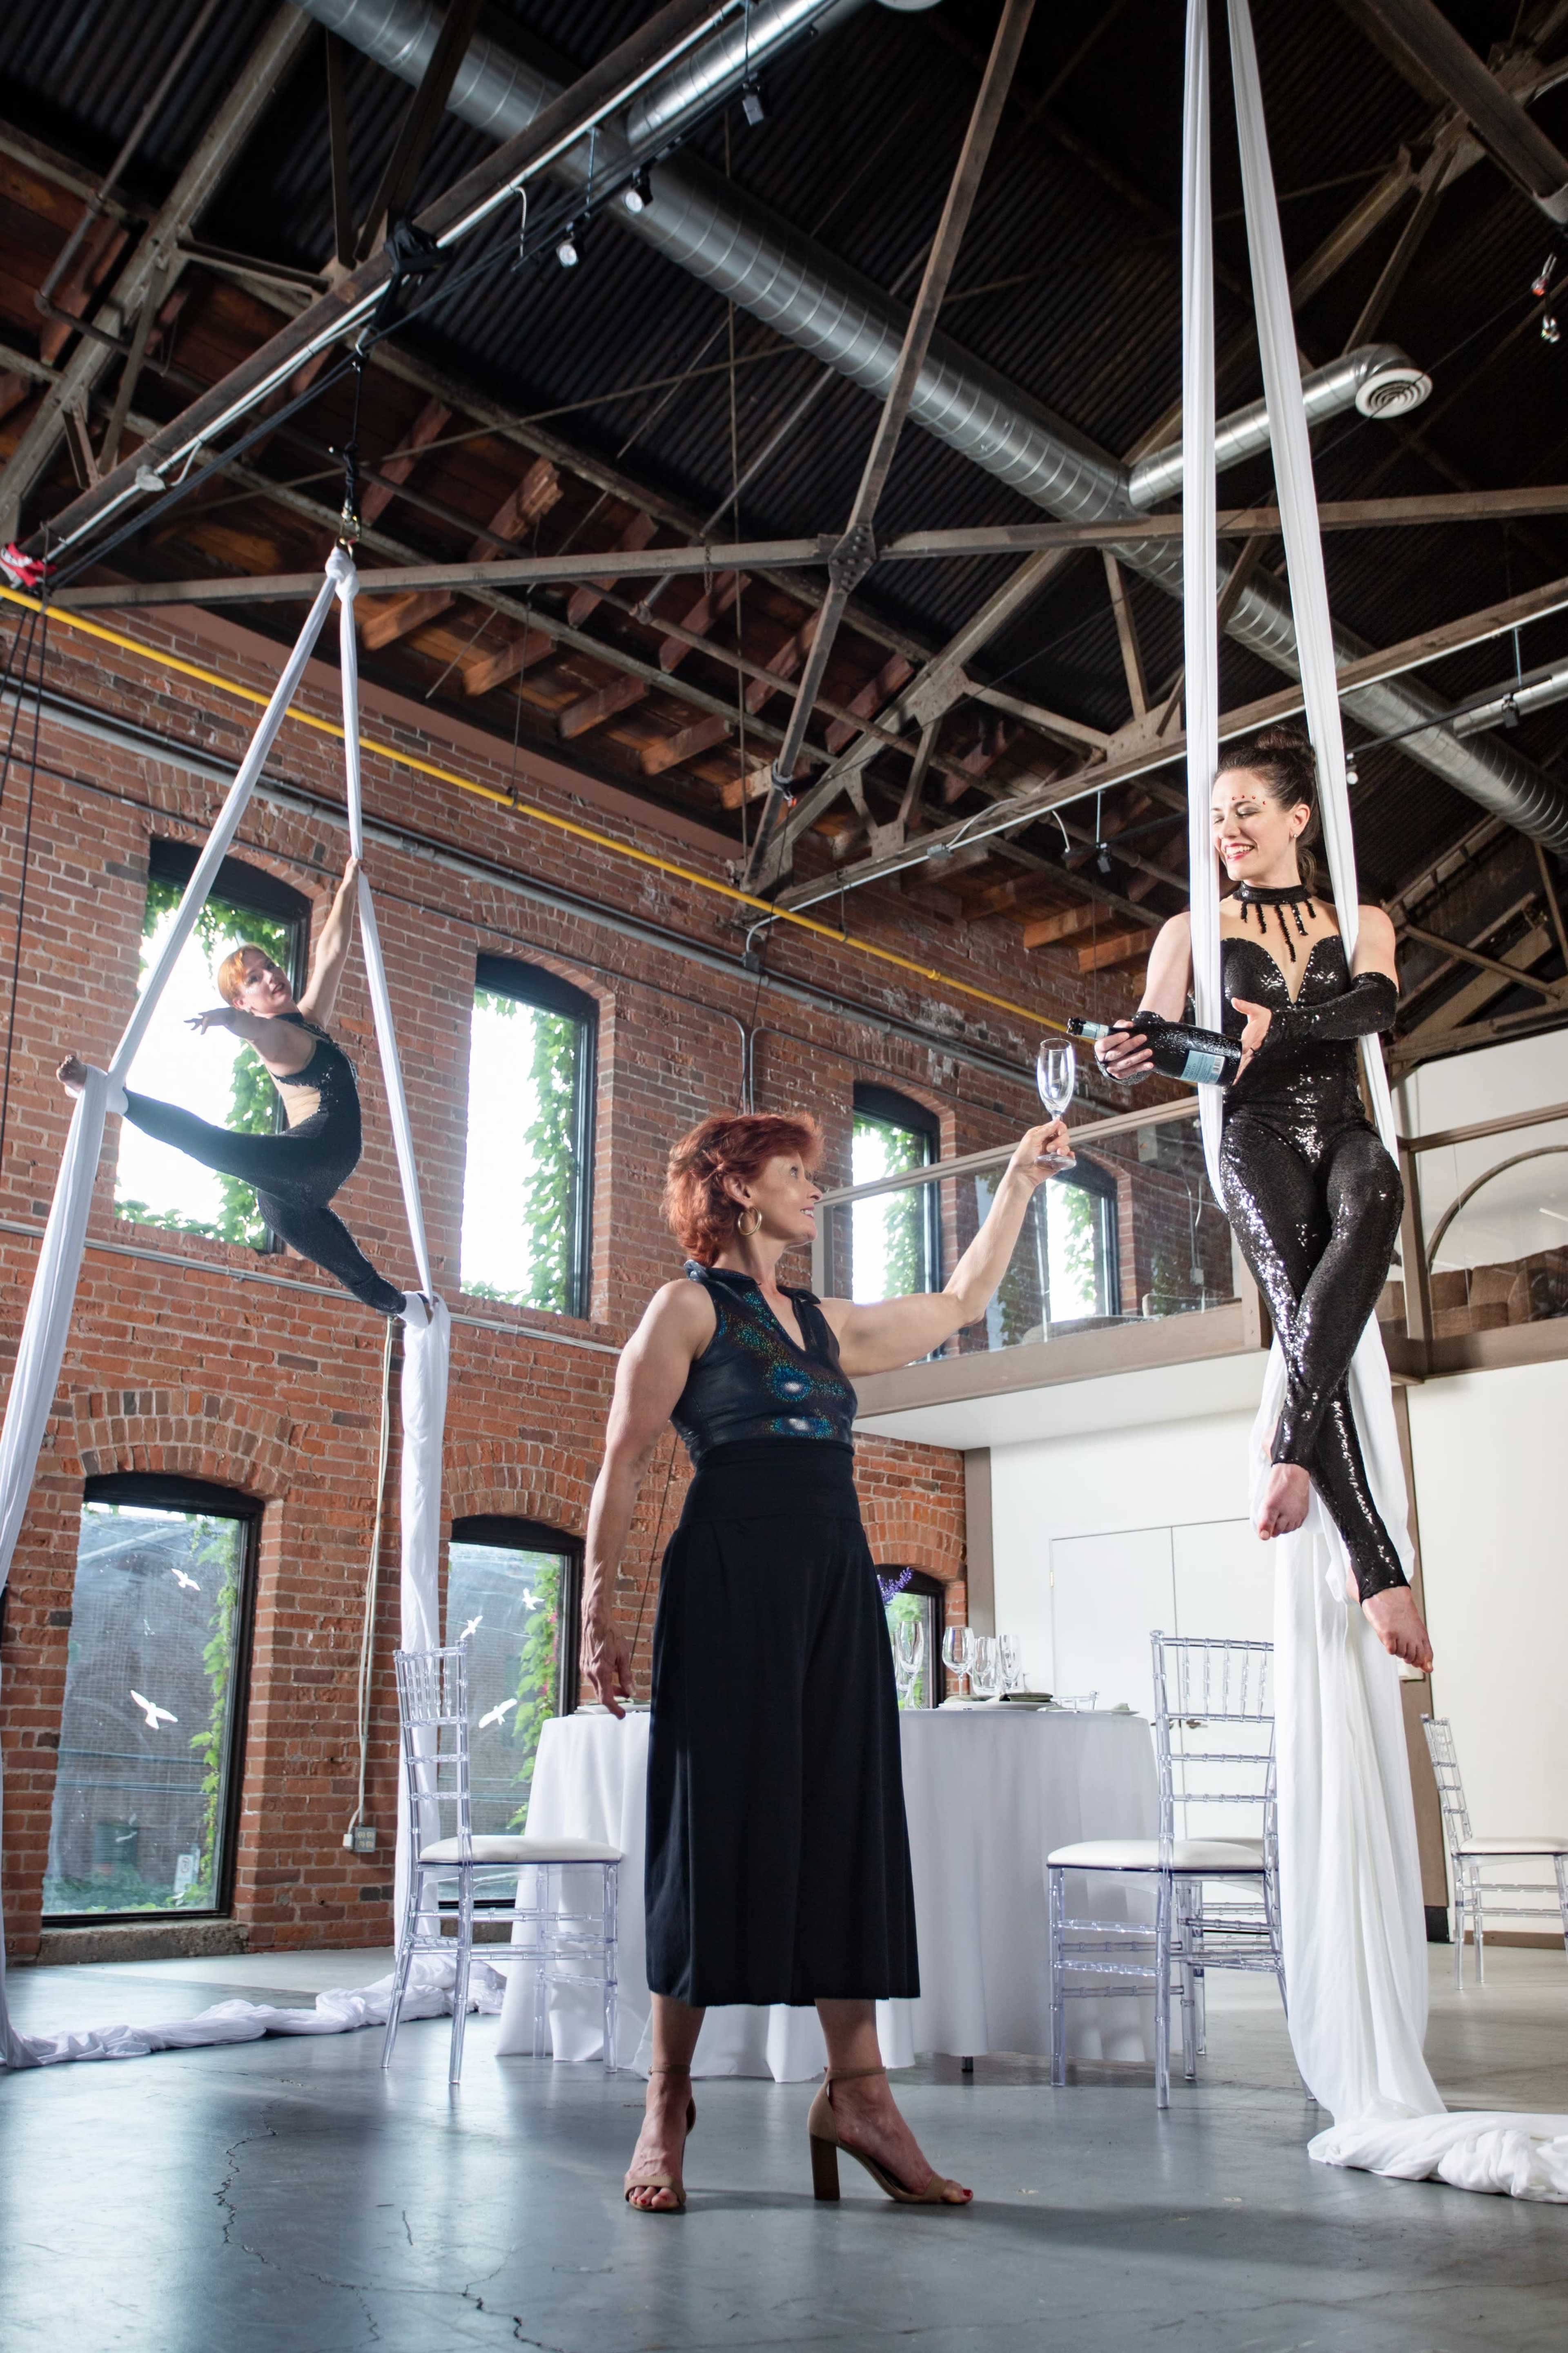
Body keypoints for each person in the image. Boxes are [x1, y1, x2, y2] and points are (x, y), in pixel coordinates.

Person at [581, 1106, 1074, 2213]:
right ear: (738, 1187)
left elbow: (960, 1307)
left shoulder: (822, 1321)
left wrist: (1019, 1183)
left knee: (843, 1822)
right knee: (714, 1831)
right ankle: (668, 2099)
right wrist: (596, 1608)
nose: (817, 1189)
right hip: (727, 1586)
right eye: (797, 1173)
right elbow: (620, 1460)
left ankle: (861, 2095)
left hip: (835, 1591)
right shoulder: (685, 1308)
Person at [1094, 725, 1431, 1672]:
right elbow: (1186, 1050)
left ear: (1296, 816)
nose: (1226, 829)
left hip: (1342, 1122)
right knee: (1297, 1312)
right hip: (1253, 1136)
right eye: (1213, 817)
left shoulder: (1360, 918)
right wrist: (1134, 1047)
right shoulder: (1189, 932)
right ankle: (1378, 1571)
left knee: (1376, 1201)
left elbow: (1372, 1008)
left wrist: (1274, 1023)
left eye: (1244, 810)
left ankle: (1286, 1448)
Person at [59, 855, 411, 1319]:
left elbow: (332, 951)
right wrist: (223, 1017)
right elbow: (251, 1028)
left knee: (359, 1275)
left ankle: (410, 1310)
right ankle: (115, 1097)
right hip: (305, 1168)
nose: (271, 976)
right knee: (217, 1145)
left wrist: (349, 884)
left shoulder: (309, 1021)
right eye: (254, 978)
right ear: (243, 999)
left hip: (303, 1181)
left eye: (269, 966)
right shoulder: (275, 1037)